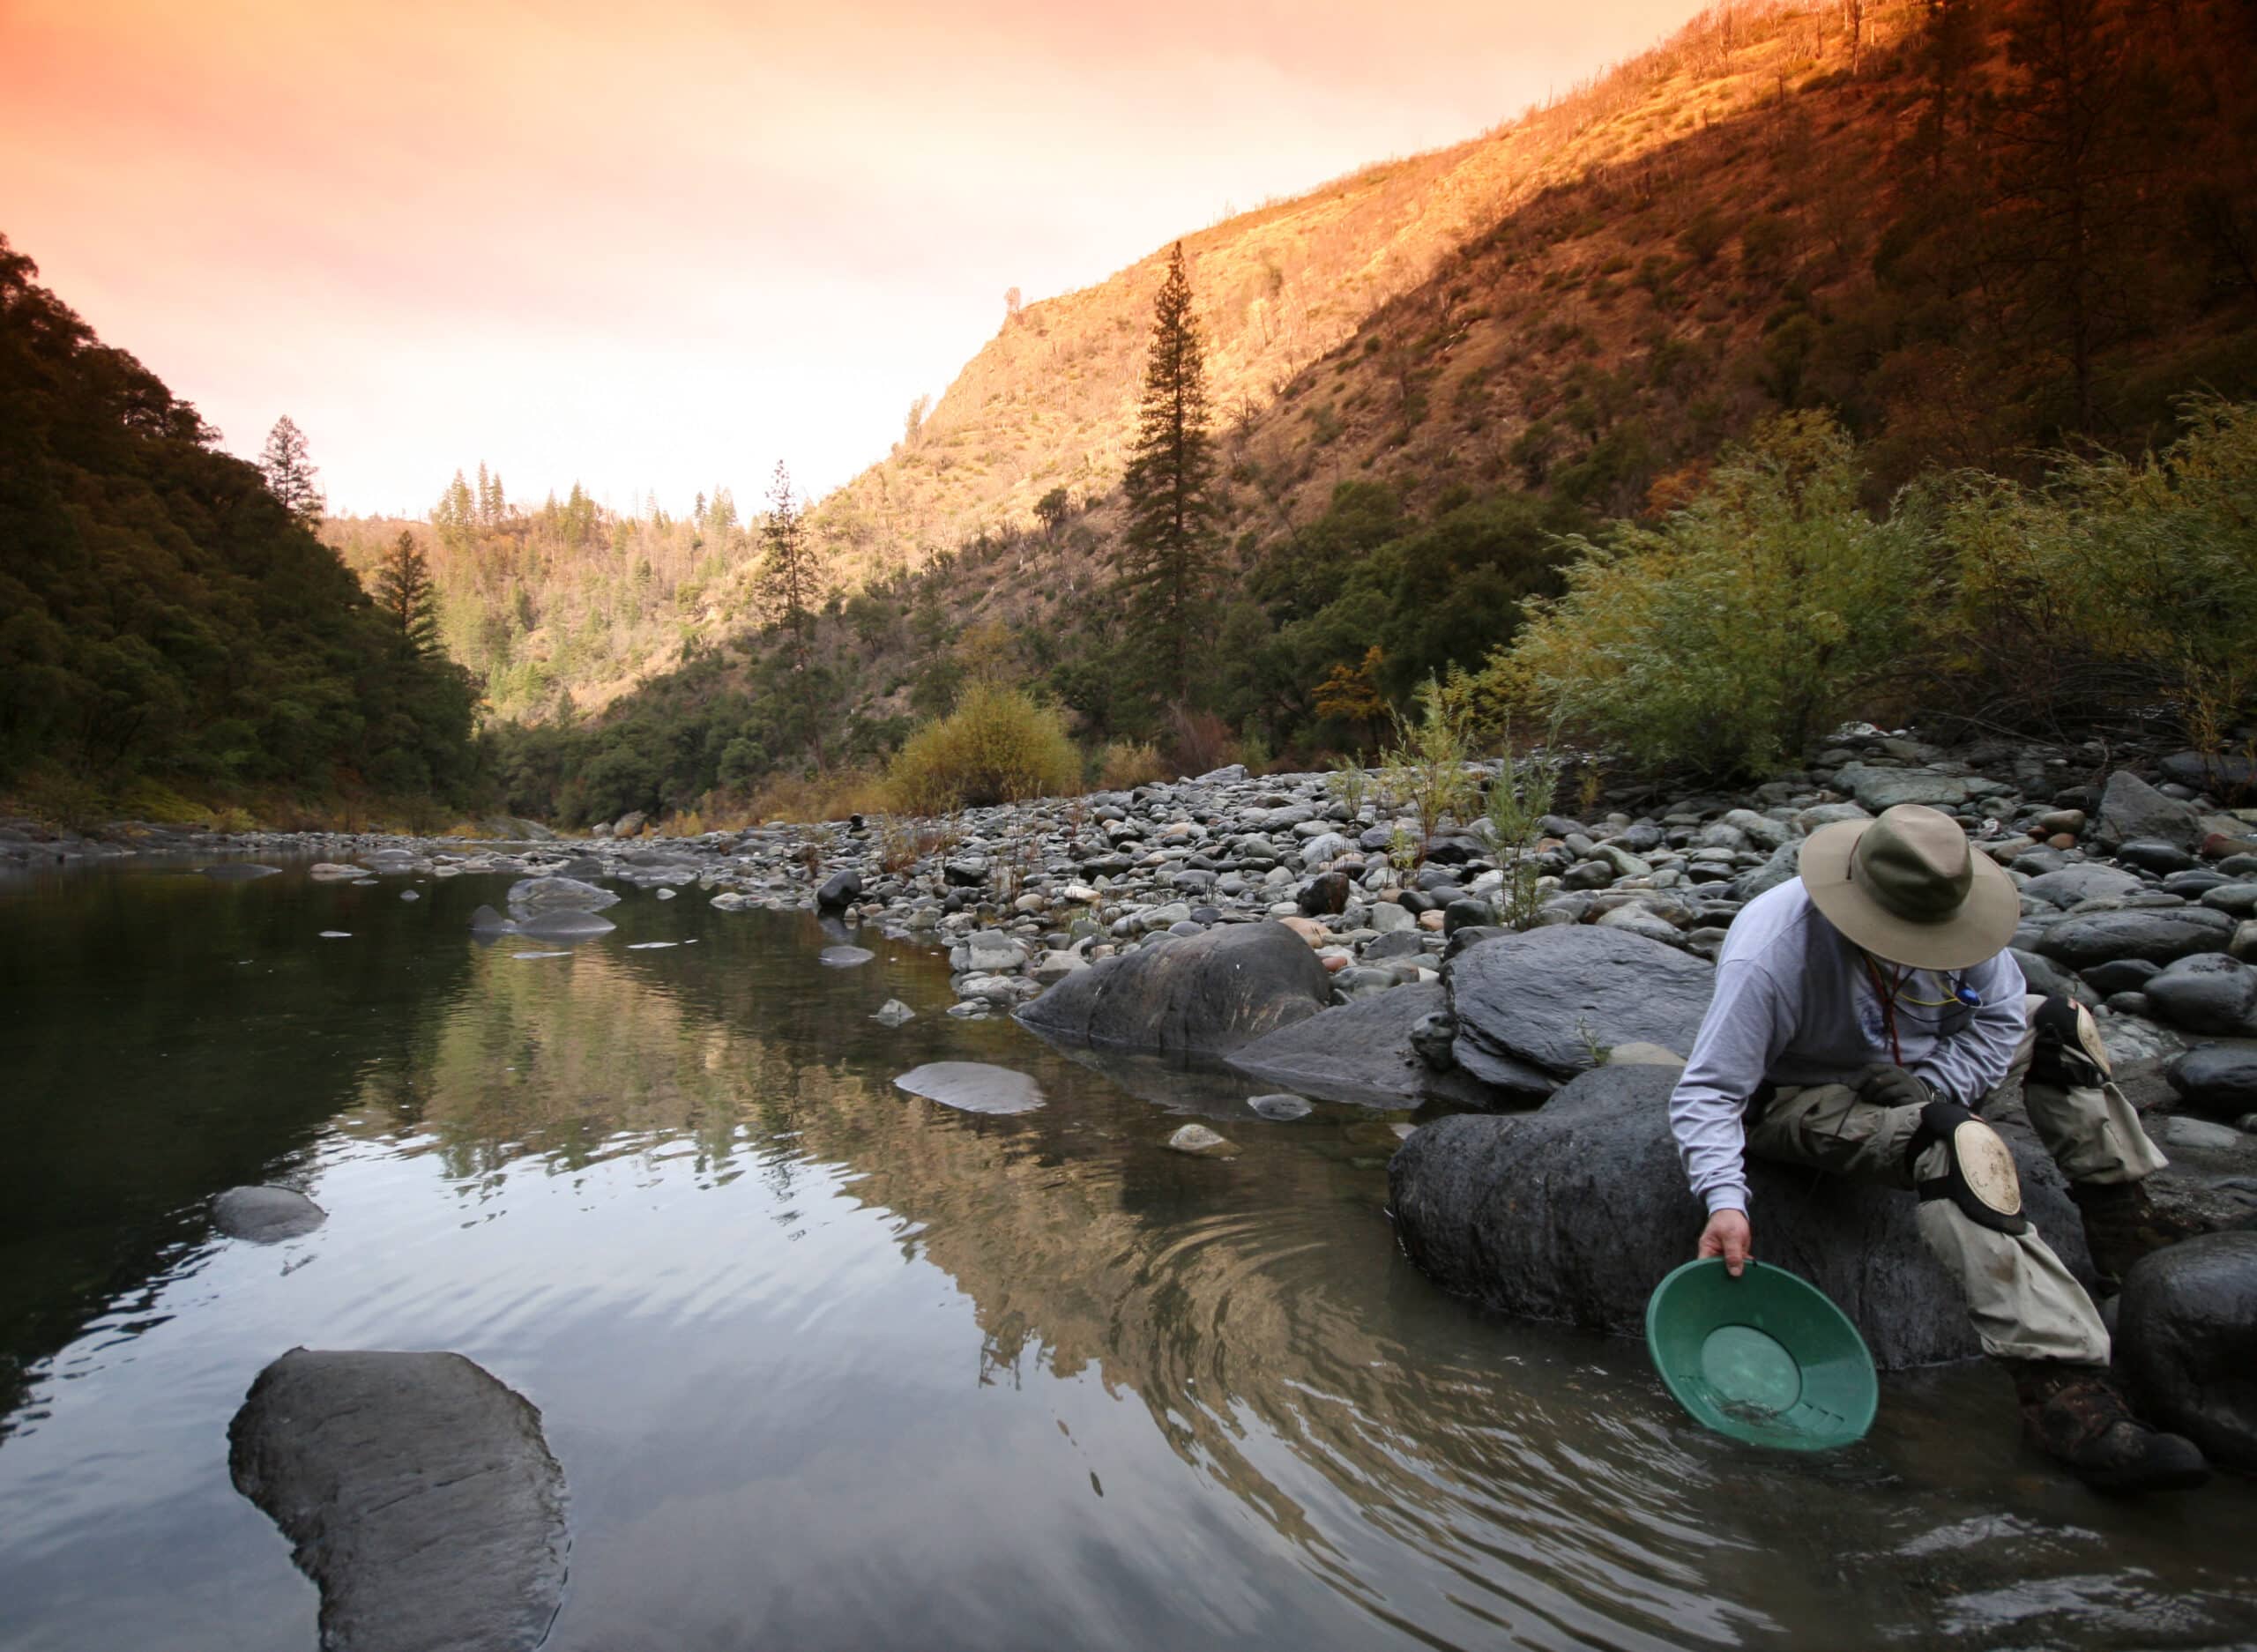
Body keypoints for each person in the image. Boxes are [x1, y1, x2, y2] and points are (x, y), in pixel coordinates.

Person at [1667, 803, 2208, 1492]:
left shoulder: (1955, 911)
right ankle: (2061, 1392)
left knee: (2066, 1025)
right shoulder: (1772, 952)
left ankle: (2123, 1237)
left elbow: (2003, 1018)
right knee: (1959, 1144)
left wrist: (1932, 1084)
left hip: (1912, 1080)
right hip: (1799, 1100)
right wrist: (1724, 1201)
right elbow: (1709, 1092)